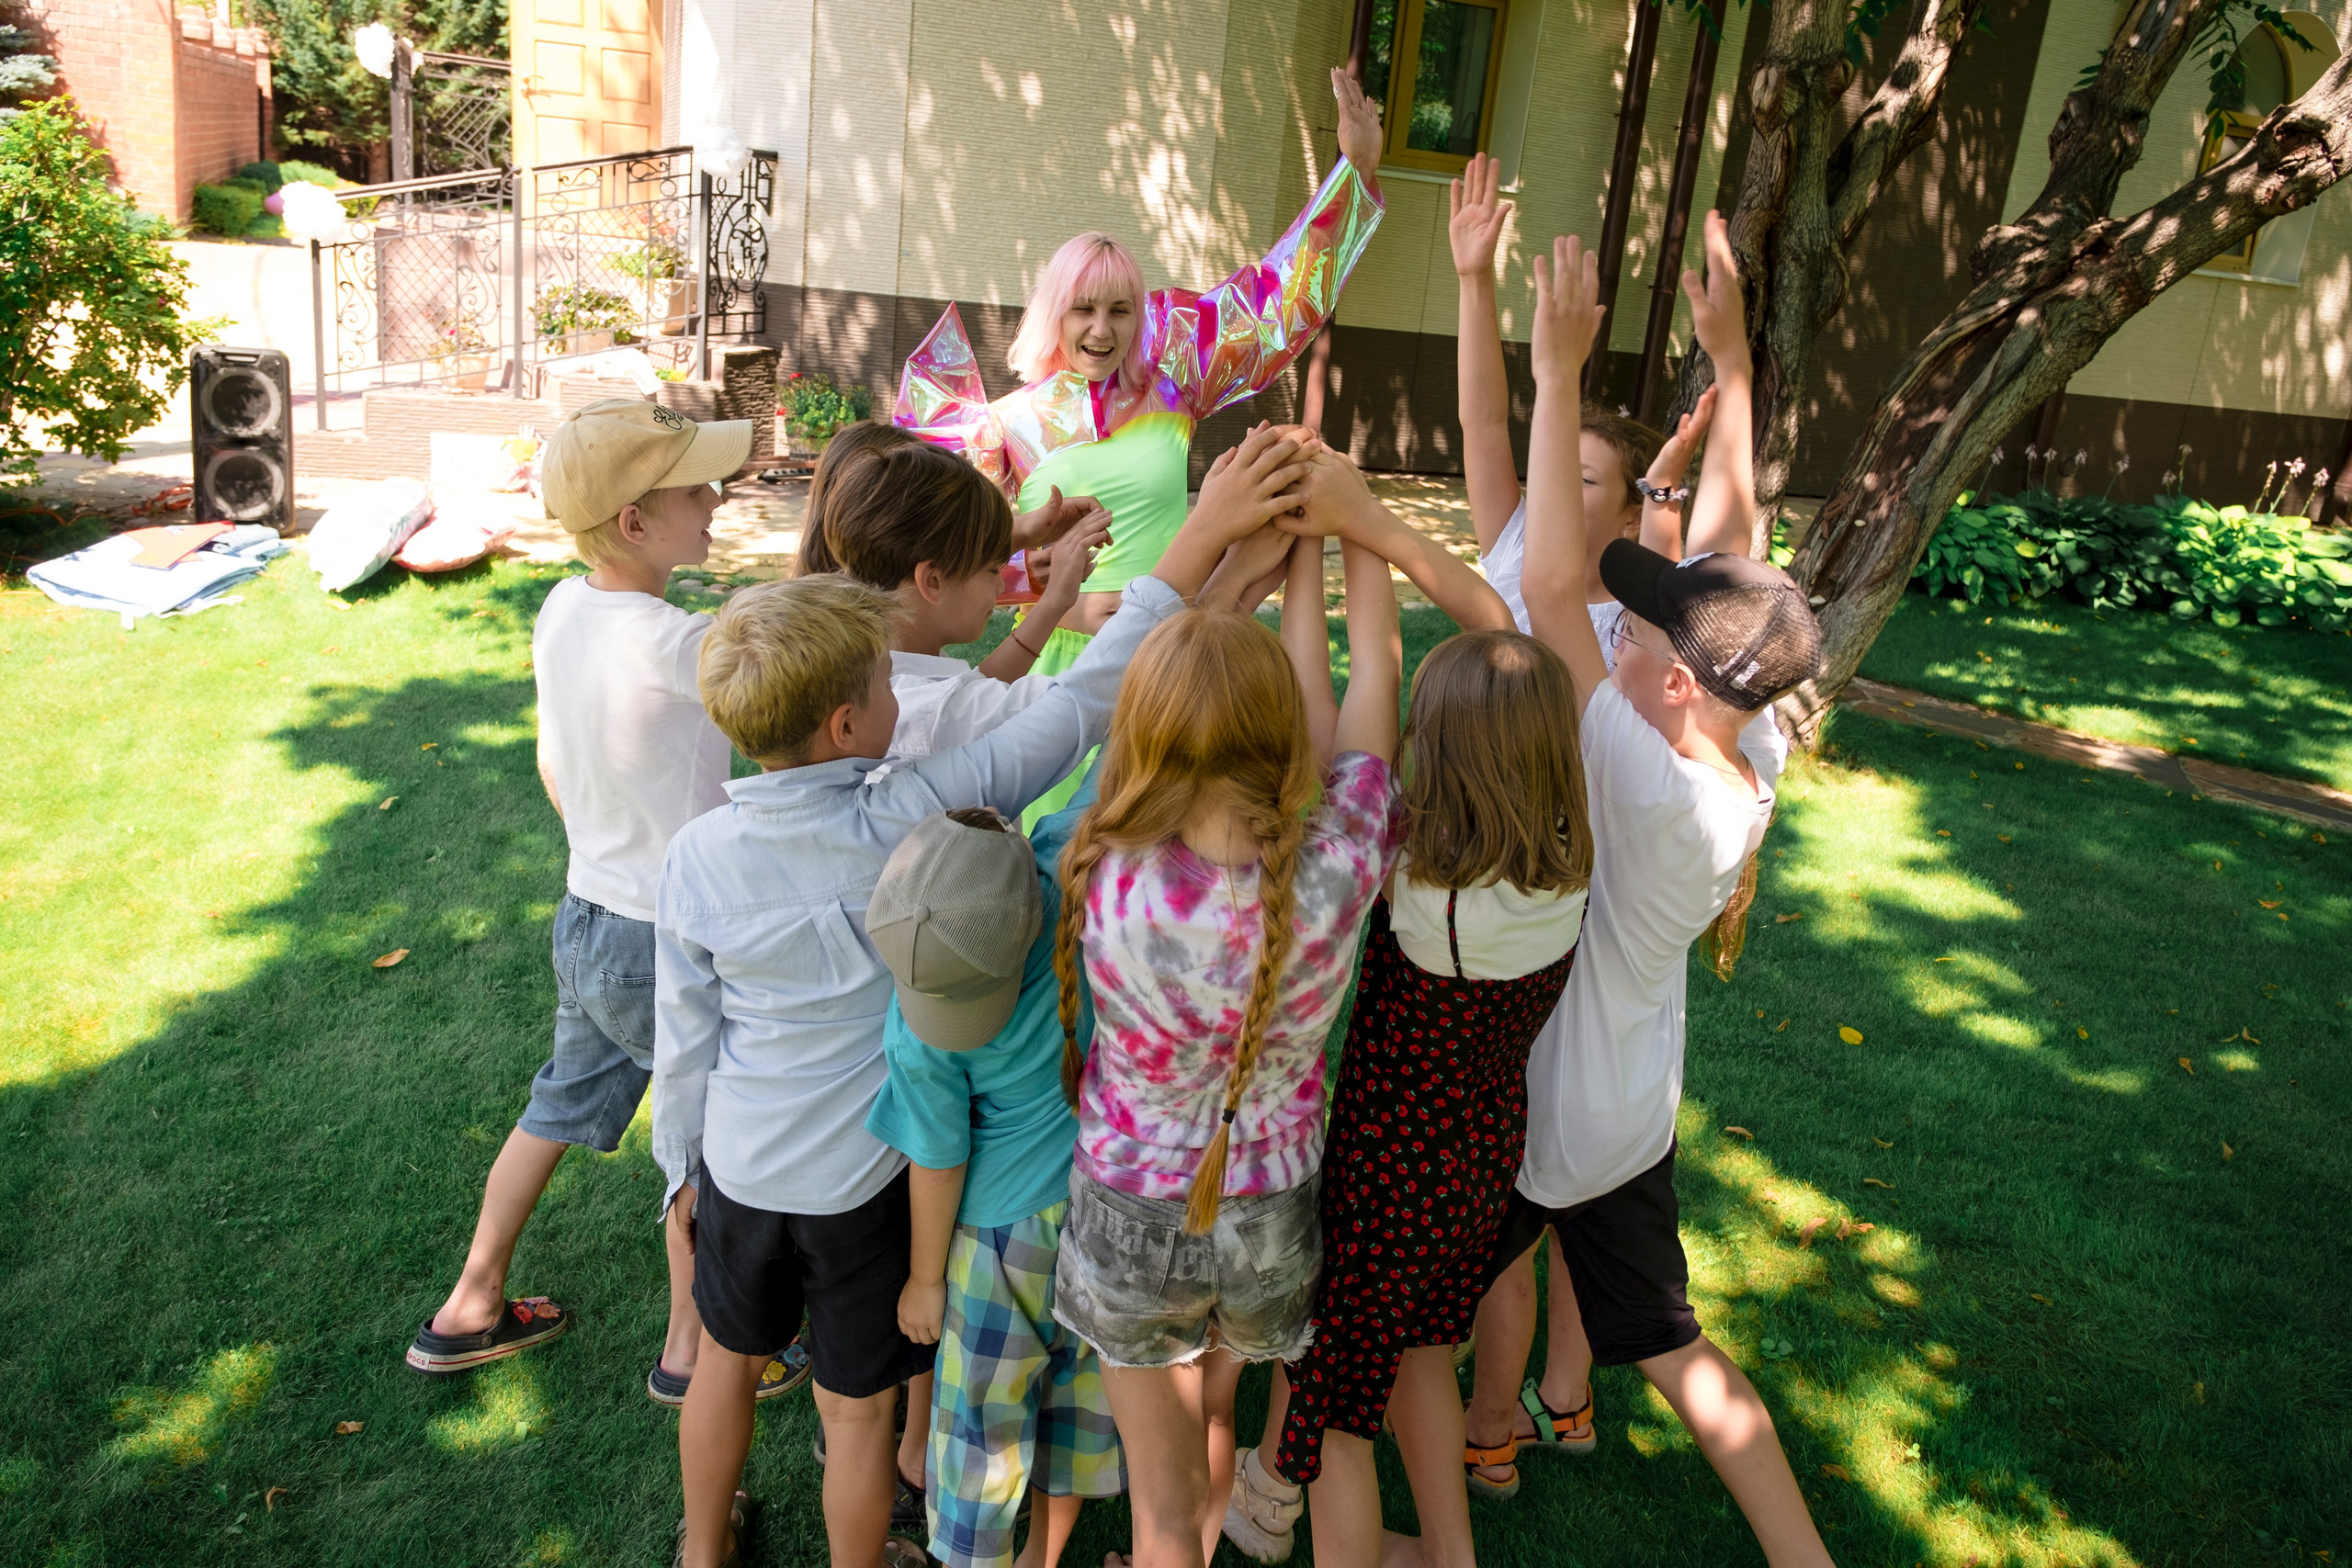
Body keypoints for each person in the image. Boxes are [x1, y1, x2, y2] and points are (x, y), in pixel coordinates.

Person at [653, 427, 1307, 1568]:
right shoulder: (912, 813)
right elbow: (1082, 711)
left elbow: (684, 1038)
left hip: (741, 1170)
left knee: (724, 1359)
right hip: (862, 1182)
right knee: (856, 1413)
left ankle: (701, 1550)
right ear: (848, 724)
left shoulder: (695, 856)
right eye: (882, 682)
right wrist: (1206, 553)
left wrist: (681, 1168)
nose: (900, 688)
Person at [1464, 223, 1835, 1568]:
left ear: (1673, 681)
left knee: (1398, 1285)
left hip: (1542, 1104)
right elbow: (1740, 565)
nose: (1613, 628)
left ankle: (1361, 1469)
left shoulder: (1625, 765)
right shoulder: (1744, 759)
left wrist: (1556, 370)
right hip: (1629, 1113)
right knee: (1673, 1340)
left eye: (1634, 630)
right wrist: (1732, 370)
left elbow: (1547, 581)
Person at [1204, 469, 1591, 1568]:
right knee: (1419, 1354)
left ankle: (1321, 1540)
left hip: (1386, 1182)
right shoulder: (1568, 856)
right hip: (1477, 1165)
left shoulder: (1421, 892)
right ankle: (1449, 1557)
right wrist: (1357, 525)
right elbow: (1493, 635)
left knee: (1331, 1406)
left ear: (1446, 757)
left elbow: (1336, 725)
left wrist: (1339, 535)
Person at [402, 397, 805, 1409]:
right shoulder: (674, 643)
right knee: (703, 1138)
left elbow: (553, 763)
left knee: (559, 1102)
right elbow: (788, 666)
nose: (716, 500)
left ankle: (470, 1302)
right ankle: (691, 1347)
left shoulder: (562, 609)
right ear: (636, 520)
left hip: (588, 916)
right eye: (696, 489)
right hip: (668, 939)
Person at [1045, 513, 1404, 1568]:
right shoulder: (1340, 860)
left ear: (1142, 735)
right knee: (1217, 1414)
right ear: (1285, 737)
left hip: (1128, 1208)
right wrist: (1343, 536)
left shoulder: (1099, 862)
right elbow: (1371, 702)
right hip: (1274, 1214)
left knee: (1157, 1514)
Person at [894, 68, 1386, 818]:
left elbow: (1278, 302)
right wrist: (1048, 587)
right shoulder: (1004, 423)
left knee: (1166, 833)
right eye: (1084, 309)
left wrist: (1354, 175)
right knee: (1061, 843)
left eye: (1120, 310)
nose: (1102, 329)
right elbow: (955, 566)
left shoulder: (1173, 384)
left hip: (1181, 648)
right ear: (1054, 314)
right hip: (1062, 669)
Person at [864, 794, 1122, 1568]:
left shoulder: (917, 1035)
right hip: (1101, 1205)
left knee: (983, 1440)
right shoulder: (1069, 862)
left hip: (995, 1250)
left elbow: (940, 1158)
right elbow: (1117, 767)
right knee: (1073, 1412)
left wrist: (924, 1279)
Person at [1447, 150, 1717, 650]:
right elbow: (1483, 423)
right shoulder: (1516, 546)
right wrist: (1473, 277)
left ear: (1633, 516)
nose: (1556, 485)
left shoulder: (1641, 627)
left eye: (1585, 479)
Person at [805, 437, 1115, 762]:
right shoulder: (938, 711)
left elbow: (974, 687)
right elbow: (1089, 700)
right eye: (992, 569)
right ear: (933, 581)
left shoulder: (878, 666)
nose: (1001, 584)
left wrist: (1052, 600)